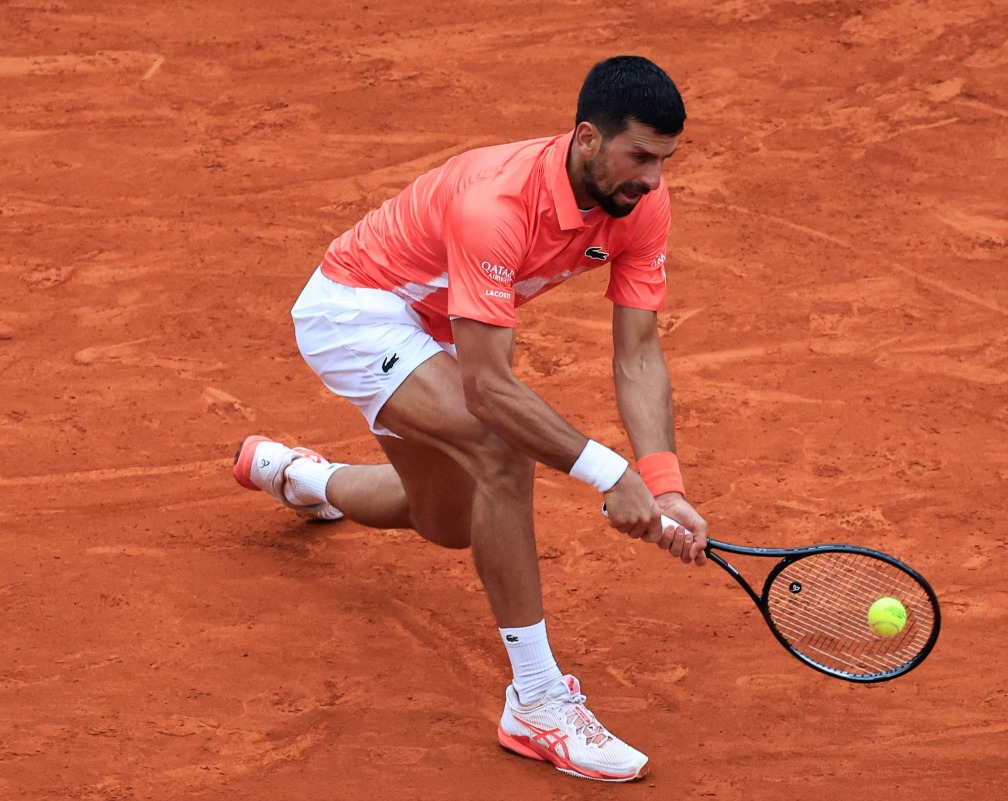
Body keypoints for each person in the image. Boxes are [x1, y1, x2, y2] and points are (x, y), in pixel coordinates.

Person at [233, 55, 708, 782]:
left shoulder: (642, 202)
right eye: (639, 155)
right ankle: (538, 703)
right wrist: (611, 473)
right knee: (498, 447)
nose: (651, 178)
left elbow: (639, 355)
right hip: (357, 311)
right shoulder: (497, 204)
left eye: (664, 160)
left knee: (448, 519)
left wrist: (662, 482)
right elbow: (488, 389)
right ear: (587, 137)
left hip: (438, 326)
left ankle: (303, 477)